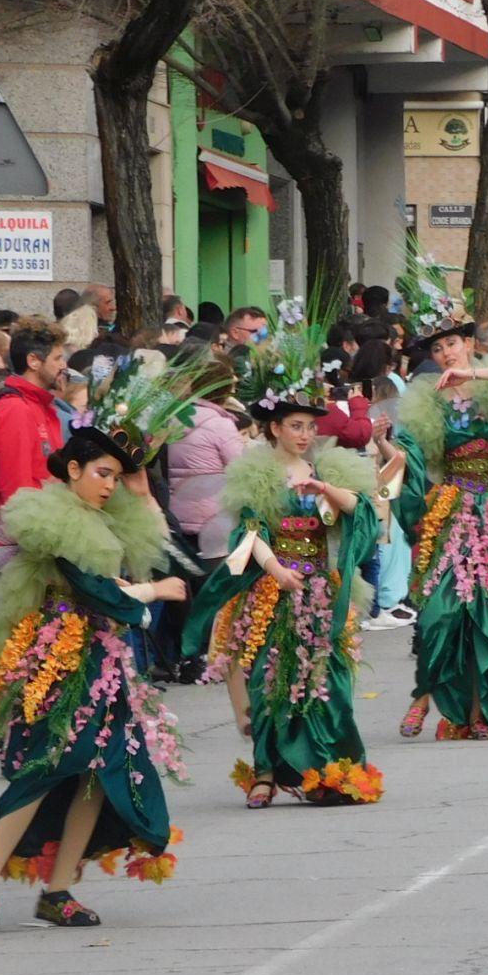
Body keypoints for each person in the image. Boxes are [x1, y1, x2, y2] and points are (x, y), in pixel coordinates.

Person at [0, 360, 199, 927]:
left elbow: (157, 546)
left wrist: (140, 489)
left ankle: (58, 889)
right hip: (60, 656)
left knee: (99, 770)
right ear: (72, 469)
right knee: (50, 762)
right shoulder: (53, 517)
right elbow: (93, 589)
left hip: (103, 659)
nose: (109, 484)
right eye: (102, 473)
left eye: (116, 476)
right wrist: (153, 592)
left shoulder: (107, 518)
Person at [184, 318, 382, 809]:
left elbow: (360, 509)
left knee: (324, 677)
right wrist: (276, 572)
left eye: (311, 427)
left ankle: (326, 767)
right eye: (296, 426)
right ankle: (266, 771)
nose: (305, 434)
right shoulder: (256, 471)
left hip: (319, 587)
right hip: (275, 587)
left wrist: (324, 489)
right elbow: (247, 534)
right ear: (274, 427)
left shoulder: (325, 468)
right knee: (268, 677)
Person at [390, 260, 488, 741]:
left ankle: (486, 711)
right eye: (437, 348)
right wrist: (385, 450)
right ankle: (429, 693)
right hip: (455, 509)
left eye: (452, 343)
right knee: (443, 612)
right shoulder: (427, 399)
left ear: (470, 344)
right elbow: (414, 460)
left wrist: (475, 379)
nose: (445, 354)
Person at [0, 317, 67, 511]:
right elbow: (18, 494)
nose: (63, 366)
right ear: (33, 361)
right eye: (58, 358)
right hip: (19, 536)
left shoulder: (40, 407)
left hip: (41, 530)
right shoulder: (15, 411)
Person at [167, 354, 246, 545]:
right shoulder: (220, 425)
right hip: (213, 518)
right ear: (226, 390)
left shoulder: (172, 419)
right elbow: (241, 469)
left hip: (176, 515)